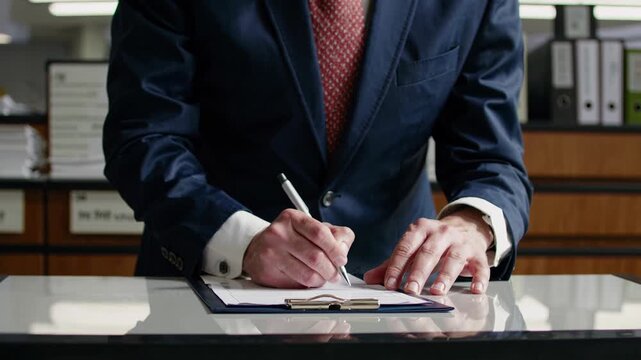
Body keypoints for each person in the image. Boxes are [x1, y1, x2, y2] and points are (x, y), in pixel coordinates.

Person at [103, 0, 532, 296]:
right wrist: (243, 242)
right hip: (209, 292)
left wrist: (473, 224)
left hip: (398, 297)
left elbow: (491, 156)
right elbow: (146, 138)